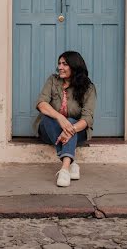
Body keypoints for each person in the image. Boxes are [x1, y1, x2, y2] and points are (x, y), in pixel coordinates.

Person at [34, 50, 97, 187]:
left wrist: (70, 128)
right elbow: (41, 104)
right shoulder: (53, 80)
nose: (60, 67)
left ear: (75, 66)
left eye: (65, 64)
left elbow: (87, 119)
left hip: (77, 132)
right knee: (47, 118)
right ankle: (71, 163)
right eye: (59, 63)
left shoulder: (88, 88)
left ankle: (64, 169)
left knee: (73, 122)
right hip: (49, 130)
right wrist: (60, 118)